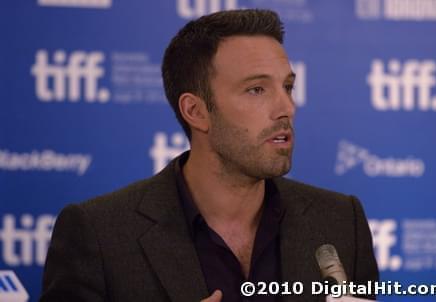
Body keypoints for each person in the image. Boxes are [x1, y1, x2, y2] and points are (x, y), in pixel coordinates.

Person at [40, 9, 378, 302]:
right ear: (196, 111)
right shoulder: (100, 235)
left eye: (287, 87)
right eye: (257, 89)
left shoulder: (340, 222)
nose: (287, 107)